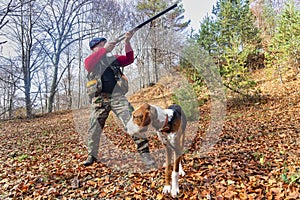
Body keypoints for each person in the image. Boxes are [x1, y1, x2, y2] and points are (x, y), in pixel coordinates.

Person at [83, 31, 155, 168]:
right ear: (94, 48)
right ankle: (91, 155)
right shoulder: (90, 61)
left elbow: (129, 59)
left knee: (134, 122)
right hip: (100, 98)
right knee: (94, 128)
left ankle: (145, 153)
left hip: (117, 97)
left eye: (104, 44)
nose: (104, 46)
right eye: (101, 45)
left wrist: (127, 42)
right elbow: (88, 64)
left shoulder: (113, 59)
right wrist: (105, 49)